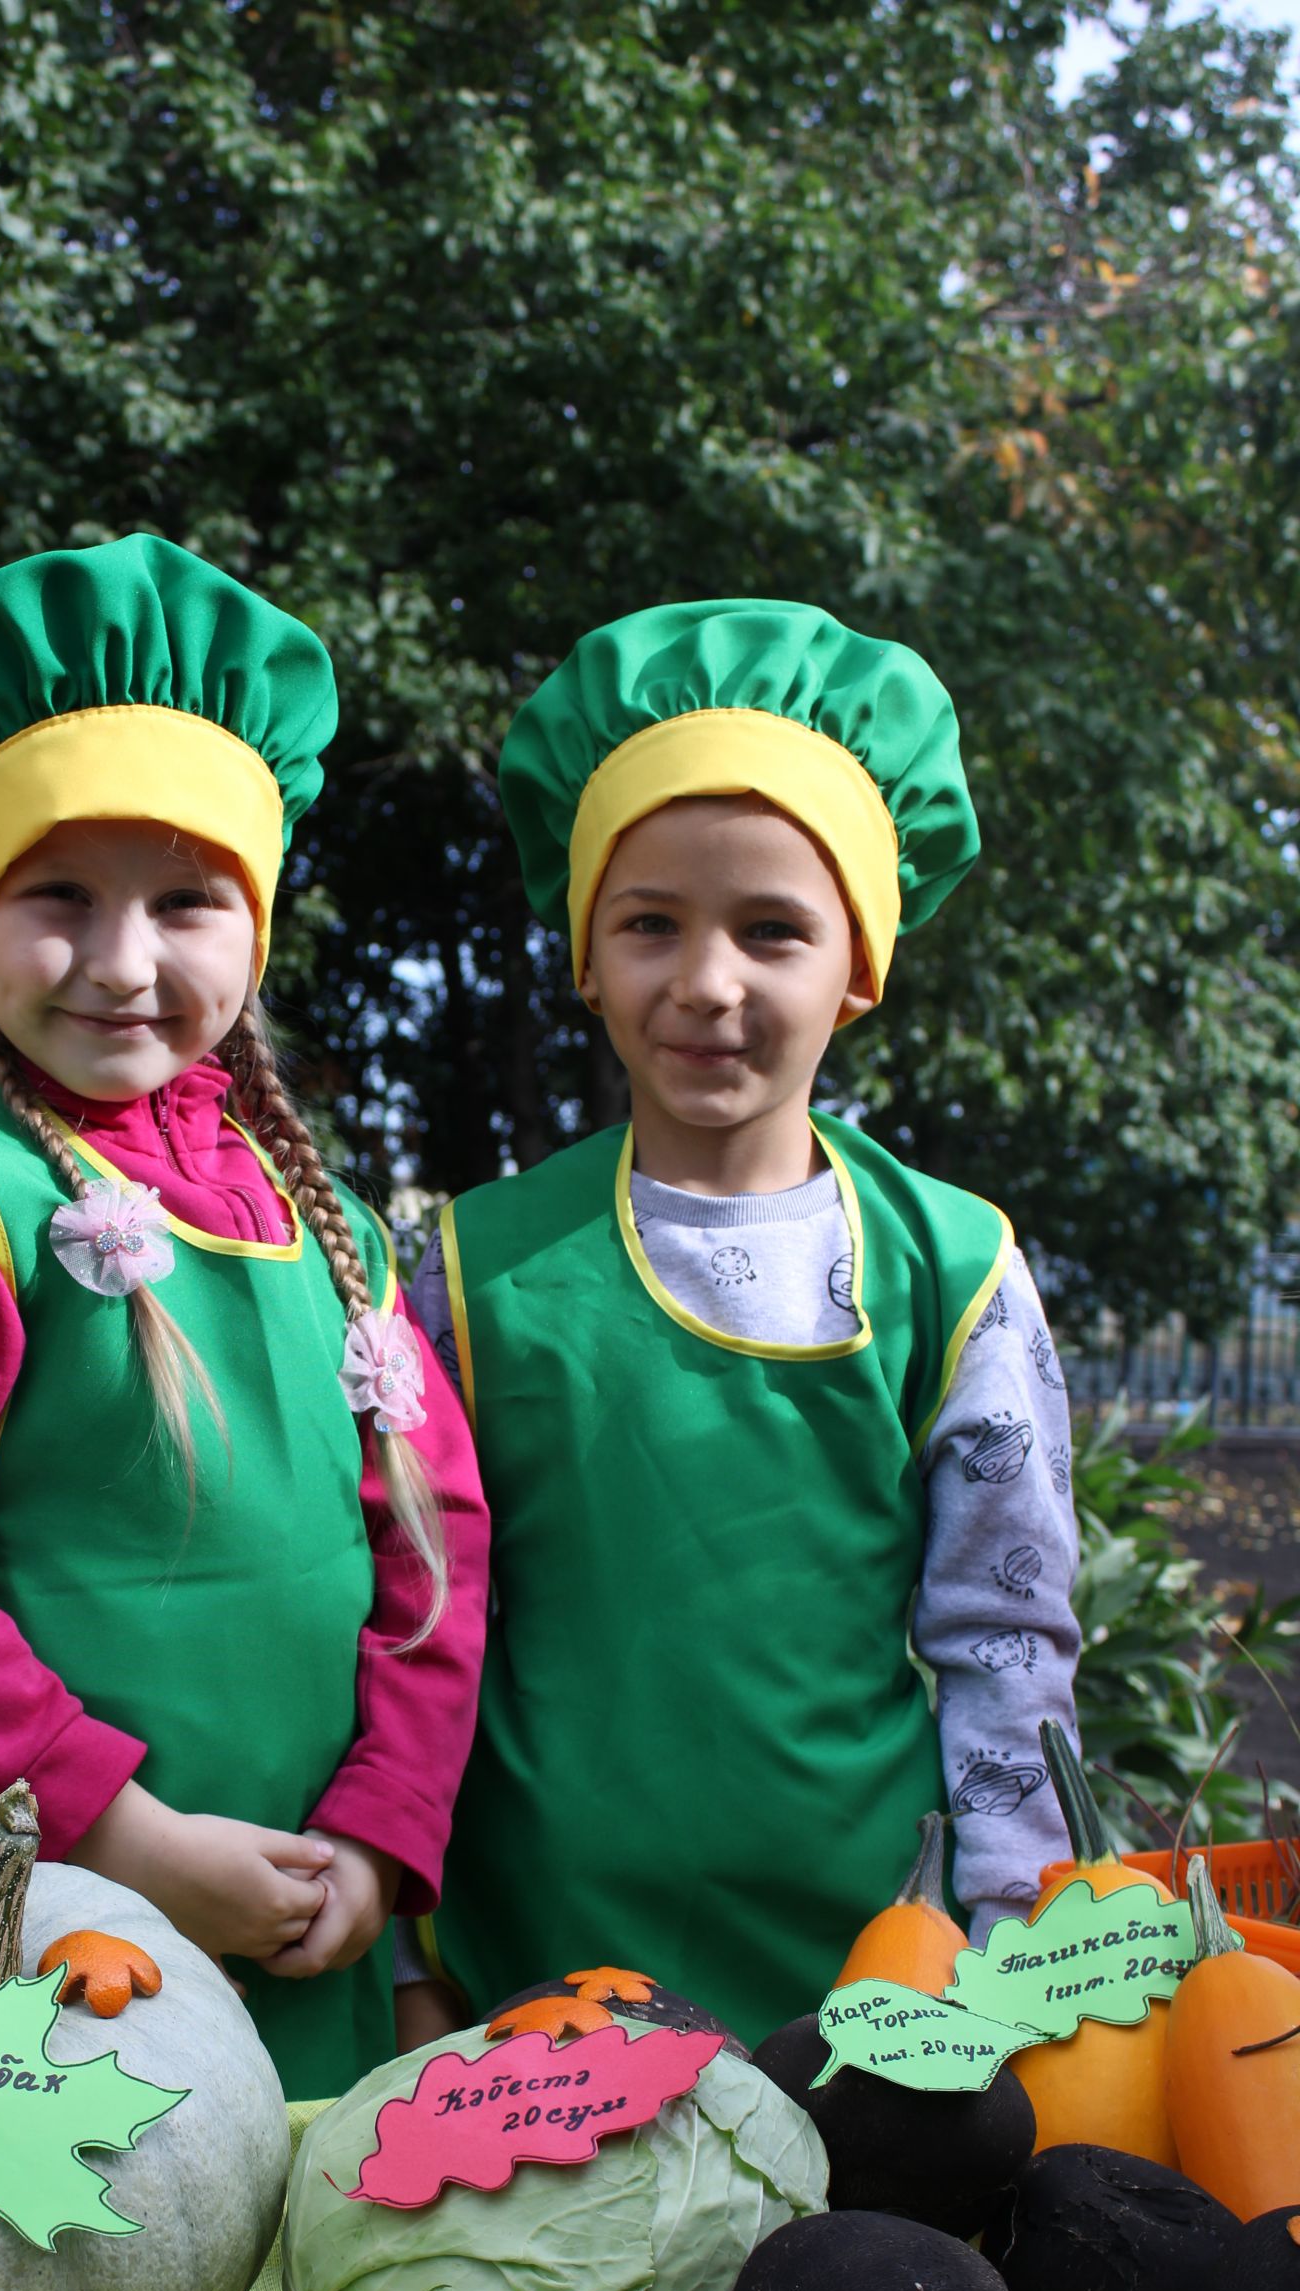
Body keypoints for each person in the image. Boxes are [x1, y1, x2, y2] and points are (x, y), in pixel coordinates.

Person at [0, 535, 488, 2098]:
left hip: (320, 1915)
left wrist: (382, 1834)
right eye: (59, 897)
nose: (121, 963)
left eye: (184, 900)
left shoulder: (338, 1224)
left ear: (255, 924)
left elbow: (439, 1563)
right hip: (66, 1909)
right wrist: (127, 1837)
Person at [402, 598, 1080, 2047]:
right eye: (651, 924)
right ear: (586, 955)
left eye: (773, 931)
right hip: (530, 1973)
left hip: (874, 1976)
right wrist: (408, 1944)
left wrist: (1017, 1940)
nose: (709, 984)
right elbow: (410, 1621)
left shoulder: (951, 1271)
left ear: (861, 965)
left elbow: (1004, 1633)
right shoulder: (474, 1269)